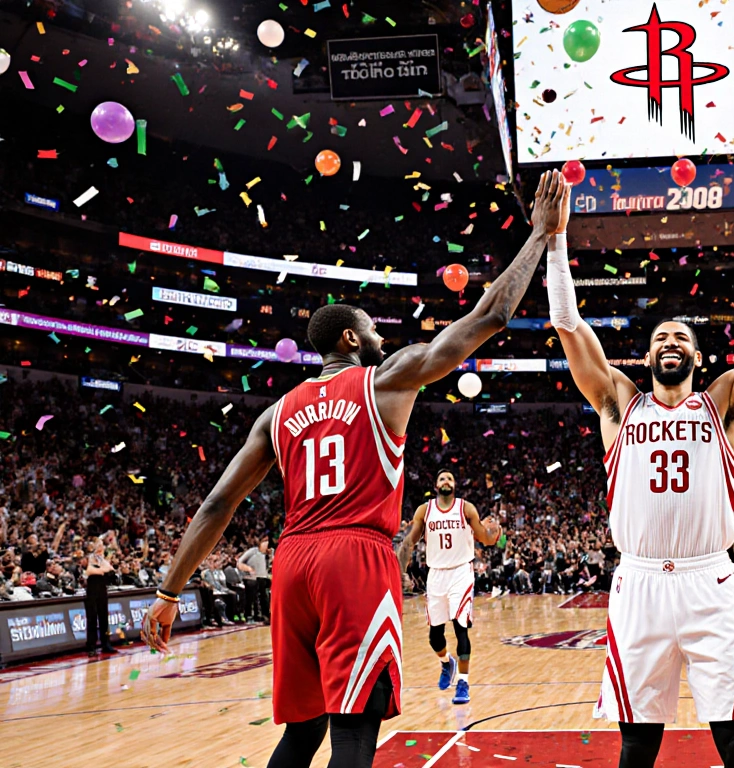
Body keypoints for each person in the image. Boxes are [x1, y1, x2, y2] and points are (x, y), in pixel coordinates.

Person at [140, 171, 568, 768]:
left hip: (292, 563)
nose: (379, 334)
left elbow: (216, 505)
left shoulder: (275, 413)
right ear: (350, 336)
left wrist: (168, 592)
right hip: (354, 559)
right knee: (354, 729)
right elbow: (491, 315)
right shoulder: (385, 379)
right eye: (372, 327)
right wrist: (542, 236)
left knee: (301, 732)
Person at [546, 161, 734, 768]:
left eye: (681, 337)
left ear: (697, 353)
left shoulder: (726, 402)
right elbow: (567, 324)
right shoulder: (618, 402)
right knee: (637, 741)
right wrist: (557, 239)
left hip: (709, 580)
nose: (671, 342)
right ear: (647, 353)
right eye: (662, 336)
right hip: (636, 581)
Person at [396, 468, 502, 705]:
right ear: (436, 485)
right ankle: (447, 663)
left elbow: (484, 539)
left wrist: (494, 533)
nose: (446, 481)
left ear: (454, 485)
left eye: (450, 478)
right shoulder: (425, 510)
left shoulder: (466, 508)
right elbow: (409, 542)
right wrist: (400, 571)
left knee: (460, 627)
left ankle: (463, 682)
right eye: (442, 478)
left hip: (460, 573)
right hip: (435, 576)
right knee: (435, 636)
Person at [83, 537, 117, 655]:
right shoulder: (88, 558)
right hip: (91, 591)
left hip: (102, 590)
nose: (101, 547)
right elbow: (89, 571)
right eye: (99, 544)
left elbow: (111, 571)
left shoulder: (102, 559)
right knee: (92, 619)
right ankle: (91, 646)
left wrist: (103, 569)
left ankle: (106, 643)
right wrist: (103, 570)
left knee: (104, 619)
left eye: (102, 544)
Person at [238, 537, 272, 623]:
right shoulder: (252, 551)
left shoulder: (267, 555)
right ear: (260, 543)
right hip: (250, 578)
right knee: (250, 598)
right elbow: (239, 562)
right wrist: (248, 568)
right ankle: (248, 616)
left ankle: (265, 616)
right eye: (264, 542)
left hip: (263, 577)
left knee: (264, 598)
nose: (266, 544)